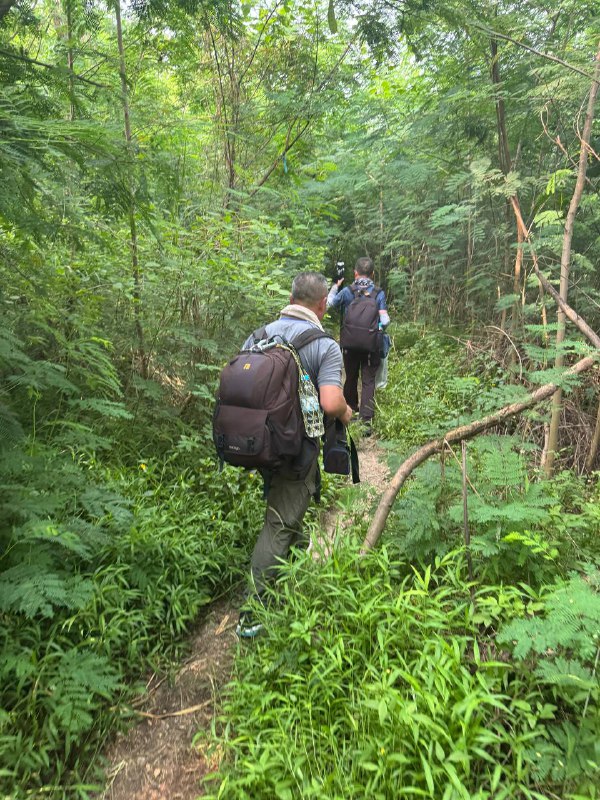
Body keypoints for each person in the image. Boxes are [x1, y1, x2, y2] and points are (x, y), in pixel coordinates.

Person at [237, 272, 353, 637]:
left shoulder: (258, 336)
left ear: (291, 296)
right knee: (280, 521)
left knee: (285, 508)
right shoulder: (323, 344)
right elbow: (330, 402)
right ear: (322, 305)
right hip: (295, 448)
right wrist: (347, 412)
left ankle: (292, 576)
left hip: (256, 443)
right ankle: (253, 615)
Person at [327, 256, 390, 433]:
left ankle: (350, 413)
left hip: (349, 344)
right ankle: (366, 423)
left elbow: (330, 303)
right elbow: (385, 321)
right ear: (373, 274)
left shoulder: (347, 291)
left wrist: (335, 286)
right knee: (368, 381)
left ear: (355, 273)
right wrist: (375, 329)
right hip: (371, 346)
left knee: (351, 377)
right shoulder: (379, 293)